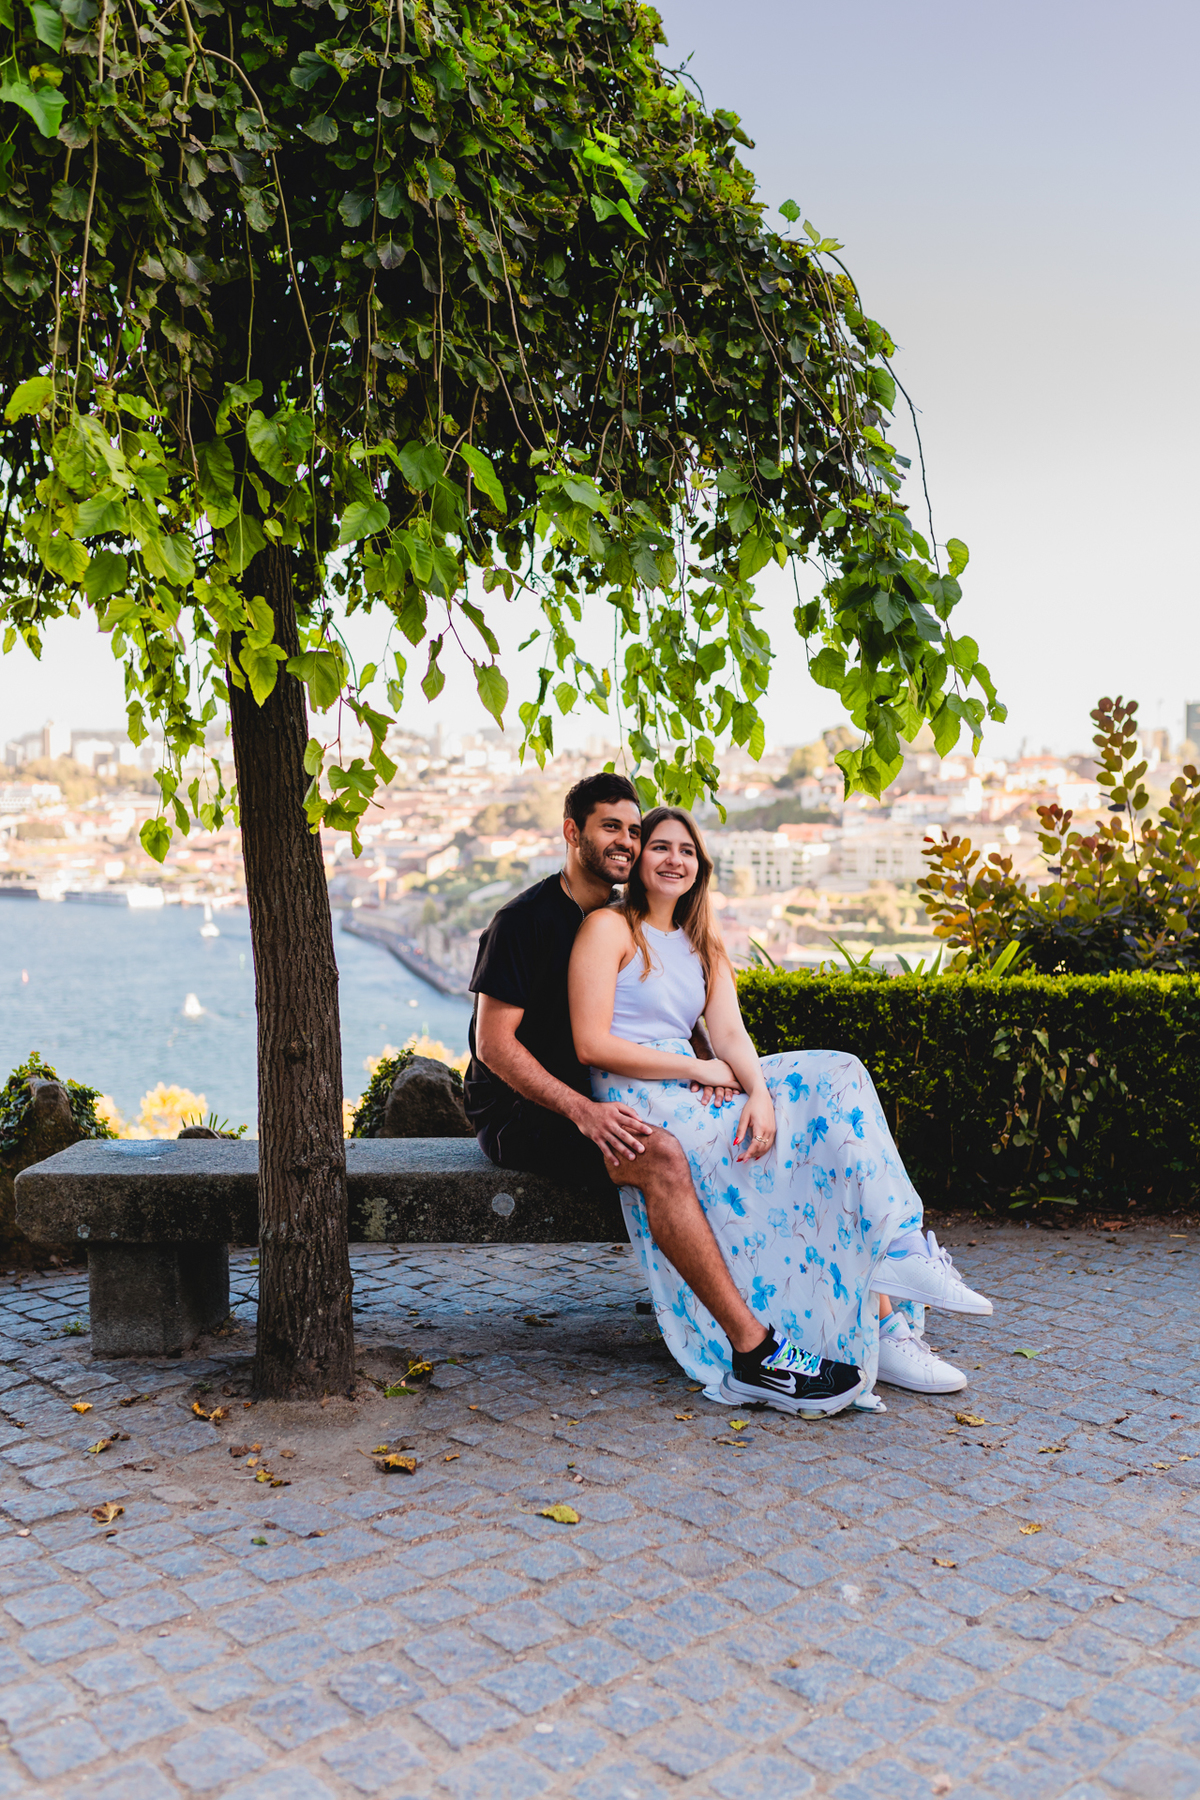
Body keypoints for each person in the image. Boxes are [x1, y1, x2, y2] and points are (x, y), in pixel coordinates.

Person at [567, 804, 994, 1412]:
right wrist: (698, 1068)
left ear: (700, 866)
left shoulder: (702, 944)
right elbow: (592, 1042)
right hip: (639, 1095)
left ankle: (897, 1258)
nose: (674, 859)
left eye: (686, 851)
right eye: (660, 847)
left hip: (699, 1081)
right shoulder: (609, 928)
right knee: (786, 1163)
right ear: (639, 863)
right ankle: (876, 1319)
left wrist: (760, 1097)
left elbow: (733, 1036)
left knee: (838, 1075)